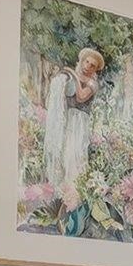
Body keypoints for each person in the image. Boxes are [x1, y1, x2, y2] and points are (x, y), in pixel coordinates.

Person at [42, 47, 105, 203]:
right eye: (87, 62)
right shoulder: (69, 78)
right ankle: (60, 194)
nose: (88, 66)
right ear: (82, 61)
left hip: (79, 122)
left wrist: (73, 74)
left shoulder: (92, 83)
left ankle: (74, 194)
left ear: (95, 69)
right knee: (63, 151)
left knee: (75, 154)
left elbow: (81, 96)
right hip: (67, 119)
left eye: (92, 65)